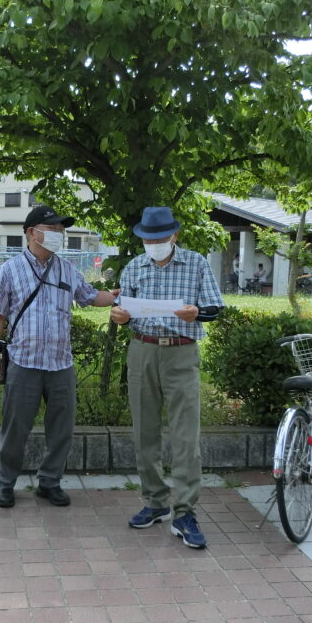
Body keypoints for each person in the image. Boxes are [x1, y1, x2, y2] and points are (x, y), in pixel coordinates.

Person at [0, 205, 117, 509]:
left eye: (61, 230)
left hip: (60, 364)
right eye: (52, 229)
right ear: (32, 232)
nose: (59, 234)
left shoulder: (67, 269)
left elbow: (91, 296)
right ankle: (5, 484)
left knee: (61, 430)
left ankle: (49, 482)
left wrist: (116, 297)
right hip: (23, 362)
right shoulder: (10, 269)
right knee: (15, 429)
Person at [111, 206, 224, 548]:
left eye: (160, 238)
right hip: (142, 350)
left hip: (181, 351)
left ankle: (185, 511)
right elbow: (124, 311)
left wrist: (197, 313)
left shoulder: (196, 263)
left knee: (185, 433)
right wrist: (119, 316)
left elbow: (215, 308)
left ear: (174, 235)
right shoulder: (135, 267)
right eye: (148, 239)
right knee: (144, 430)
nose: (154, 244)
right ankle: (155, 501)